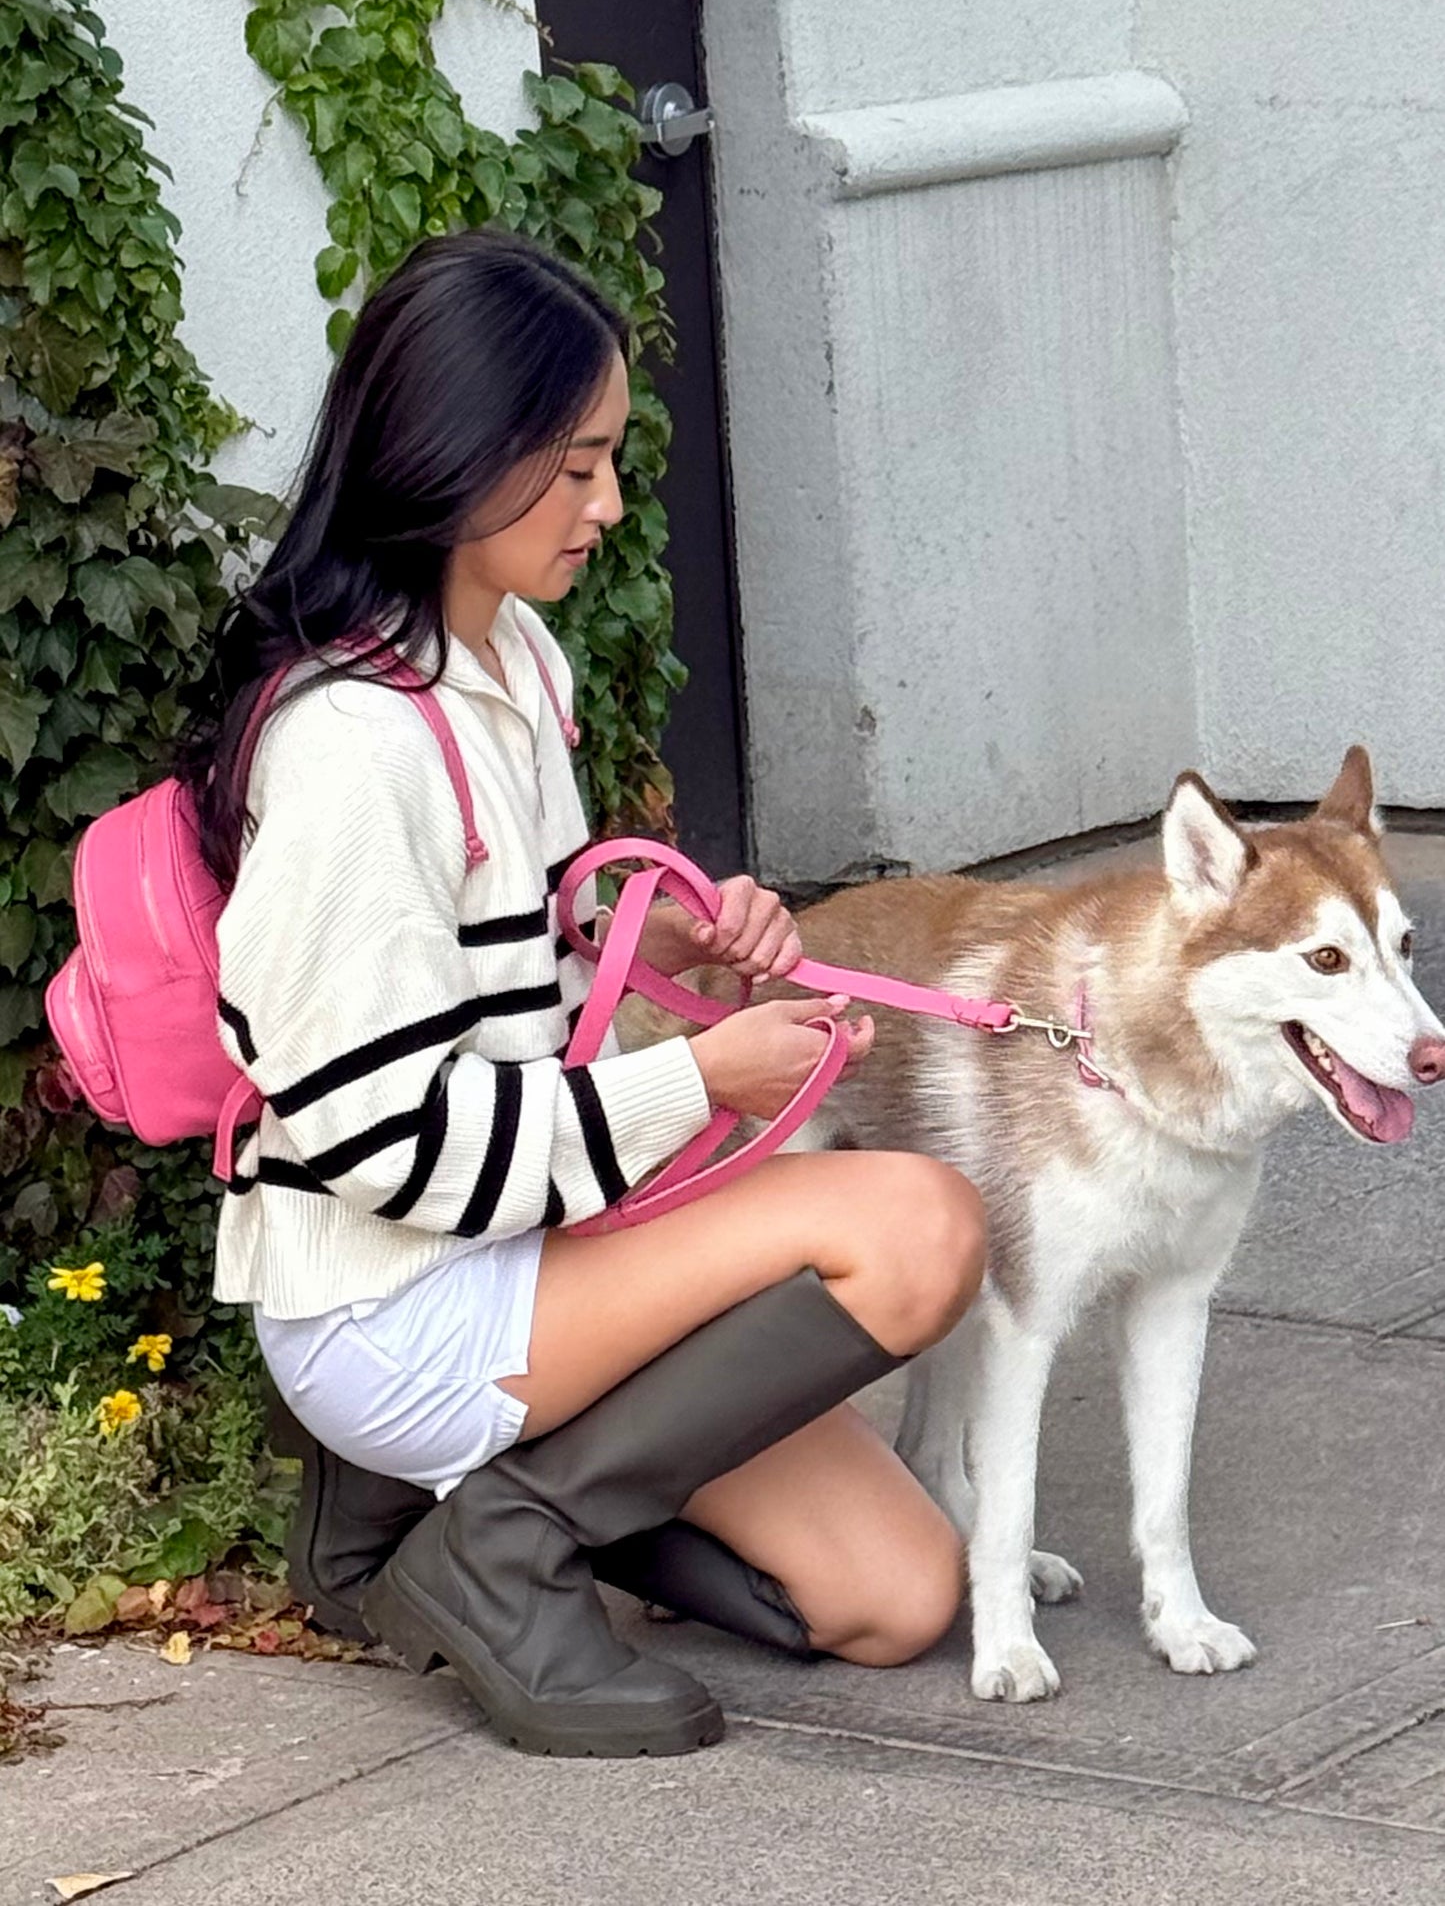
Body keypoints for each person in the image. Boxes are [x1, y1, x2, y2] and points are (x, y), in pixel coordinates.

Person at [179, 229, 987, 1759]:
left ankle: (439, 1522)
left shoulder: (514, 663)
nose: (607, 506)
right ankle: (499, 1552)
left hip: (531, 1260)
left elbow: (512, 974)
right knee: (914, 1223)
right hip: (389, 1299)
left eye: (609, 461)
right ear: (448, 453)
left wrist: (649, 953)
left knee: (893, 1597)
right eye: (573, 467)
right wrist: (707, 1078)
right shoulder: (351, 743)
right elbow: (379, 1141)